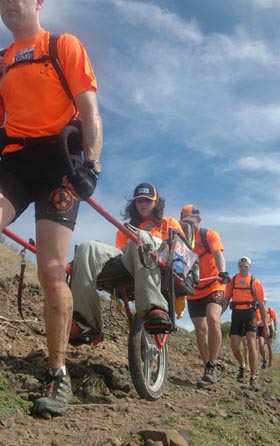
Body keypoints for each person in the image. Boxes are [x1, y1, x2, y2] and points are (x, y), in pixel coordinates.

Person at [0, 0, 103, 416]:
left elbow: (90, 109)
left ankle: (58, 372)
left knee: (49, 268)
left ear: (39, 1)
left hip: (61, 165)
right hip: (15, 162)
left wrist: (92, 164)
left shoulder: (63, 45)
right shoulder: (2, 62)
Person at [70, 182, 183, 343]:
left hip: (159, 256)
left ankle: (154, 307)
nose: (143, 204)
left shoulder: (169, 222)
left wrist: (151, 244)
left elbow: (179, 249)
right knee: (87, 247)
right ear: (134, 203)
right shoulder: (126, 228)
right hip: (130, 256)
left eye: (147, 200)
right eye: (139, 201)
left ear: (156, 202)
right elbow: (121, 251)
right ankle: (85, 321)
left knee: (142, 238)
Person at [179, 204, 230, 388]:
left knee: (212, 317)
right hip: (194, 289)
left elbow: (218, 254)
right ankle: (207, 368)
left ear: (198, 221)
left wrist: (222, 271)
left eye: (191, 222)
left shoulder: (209, 235)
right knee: (200, 329)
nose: (188, 226)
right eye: (184, 222)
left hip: (214, 283)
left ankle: (213, 363)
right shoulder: (181, 241)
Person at [224, 257, 269, 387]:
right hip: (236, 314)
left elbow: (261, 305)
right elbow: (226, 299)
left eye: (245, 266)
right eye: (240, 266)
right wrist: (218, 314)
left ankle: (253, 376)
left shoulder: (256, 283)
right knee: (234, 345)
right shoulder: (232, 281)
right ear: (238, 266)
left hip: (250, 314)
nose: (243, 268)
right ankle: (243, 365)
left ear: (249, 267)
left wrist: (265, 325)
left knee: (251, 344)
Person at [256, 297, 277, 368]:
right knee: (260, 345)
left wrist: (276, 329)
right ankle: (264, 360)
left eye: (264, 301)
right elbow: (255, 322)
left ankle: (270, 363)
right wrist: (263, 320)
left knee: (270, 346)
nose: (263, 302)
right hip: (260, 329)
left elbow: (274, 319)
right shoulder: (256, 310)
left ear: (266, 302)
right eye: (261, 301)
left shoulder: (270, 310)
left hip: (269, 327)